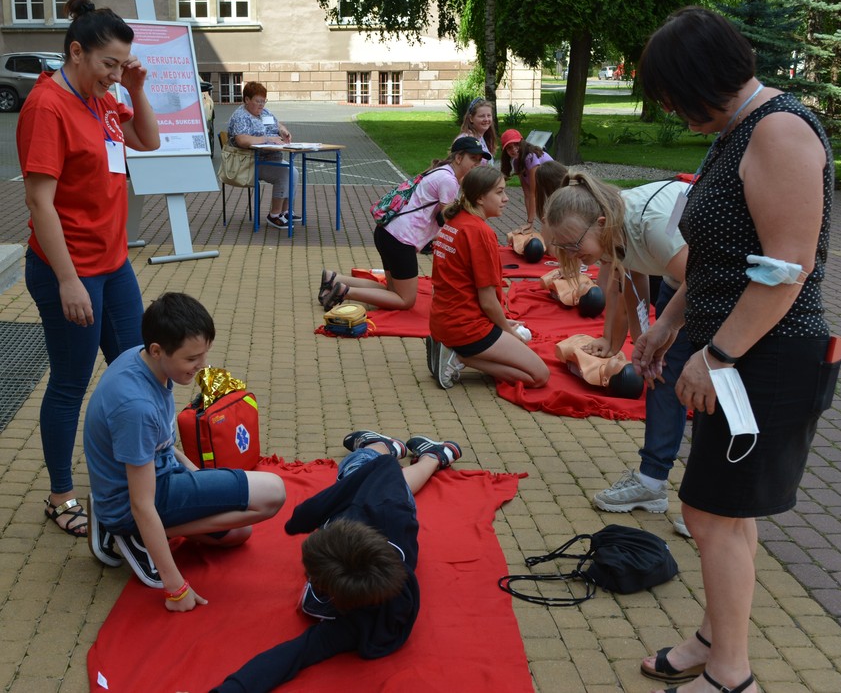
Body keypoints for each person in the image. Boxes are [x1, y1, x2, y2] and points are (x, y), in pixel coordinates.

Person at [633, 7, 834, 693]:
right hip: (739, 351)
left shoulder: (776, 130)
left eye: (669, 94)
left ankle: (730, 675)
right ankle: (711, 641)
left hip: (768, 358)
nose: (666, 109)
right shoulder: (733, 130)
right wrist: (667, 325)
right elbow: (721, 258)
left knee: (710, 513)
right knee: (722, 511)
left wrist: (714, 356)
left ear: (699, 78)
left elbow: (784, 268)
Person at [16, 0, 160, 539]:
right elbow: (39, 204)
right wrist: (69, 279)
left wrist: (136, 89)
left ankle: (143, 473)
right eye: (109, 64)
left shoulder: (103, 99)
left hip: (114, 263)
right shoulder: (47, 107)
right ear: (76, 52)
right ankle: (59, 496)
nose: (116, 74)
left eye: (122, 65)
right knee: (71, 384)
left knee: (139, 368)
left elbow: (149, 140)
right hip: (68, 272)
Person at [210, 429, 462, 691]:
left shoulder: (352, 620)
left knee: (354, 467)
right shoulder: (379, 521)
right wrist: (304, 518)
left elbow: (296, 652)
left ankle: (383, 445)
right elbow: (384, 470)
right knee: (382, 478)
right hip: (394, 502)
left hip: (383, 499)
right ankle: (432, 456)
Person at [83, 293, 286, 610]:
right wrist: (175, 587)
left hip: (152, 476)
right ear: (157, 350)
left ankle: (124, 523)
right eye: (192, 359)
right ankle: (126, 531)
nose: (201, 366)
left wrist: (199, 477)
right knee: (273, 492)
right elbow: (142, 503)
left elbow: (162, 445)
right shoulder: (135, 407)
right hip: (135, 499)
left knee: (238, 532)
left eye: (204, 355)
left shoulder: (140, 360)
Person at [544, 173, 693, 536]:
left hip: (720, 285)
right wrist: (644, 346)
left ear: (599, 223)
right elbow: (633, 283)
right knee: (659, 374)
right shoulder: (612, 223)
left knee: (703, 386)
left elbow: (705, 281)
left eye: (573, 245)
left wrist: (667, 329)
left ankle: (712, 506)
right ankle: (651, 481)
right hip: (682, 279)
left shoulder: (652, 226)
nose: (571, 256)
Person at [317, 136, 490, 312]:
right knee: (406, 300)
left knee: (392, 292)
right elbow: (449, 220)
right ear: (459, 158)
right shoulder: (448, 180)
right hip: (400, 240)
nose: (477, 164)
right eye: (473, 159)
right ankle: (345, 292)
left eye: (479, 160)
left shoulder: (441, 171)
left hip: (387, 233)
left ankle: (335, 279)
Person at [428, 165, 549, 390]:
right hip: (465, 327)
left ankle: (455, 350)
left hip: (445, 319)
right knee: (539, 376)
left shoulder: (455, 221)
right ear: (481, 198)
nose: (506, 199)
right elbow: (487, 300)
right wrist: (507, 330)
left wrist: (500, 322)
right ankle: (459, 356)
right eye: (500, 192)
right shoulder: (480, 232)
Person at [227, 81, 299, 230]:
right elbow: (242, 139)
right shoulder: (241, 116)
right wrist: (268, 139)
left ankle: (285, 212)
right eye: (258, 101)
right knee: (284, 174)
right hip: (250, 162)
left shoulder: (264, 113)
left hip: (269, 159)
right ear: (247, 100)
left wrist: (283, 131)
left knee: (294, 172)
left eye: (263, 101)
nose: (261, 105)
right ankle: (274, 215)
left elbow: (277, 124)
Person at [500, 129, 556, 231]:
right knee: (544, 216)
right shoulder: (517, 163)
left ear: (522, 143)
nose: (513, 149)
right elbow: (526, 193)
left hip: (557, 187)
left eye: (516, 144)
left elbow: (533, 193)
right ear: (505, 152)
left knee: (555, 218)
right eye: (509, 148)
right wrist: (530, 222)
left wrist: (529, 222)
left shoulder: (530, 157)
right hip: (546, 188)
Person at [455, 97, 498, 165]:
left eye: (489, 115)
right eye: (482, 116)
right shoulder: (465, 140)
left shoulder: (483, 138)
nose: (486, 119)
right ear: (471, 118)